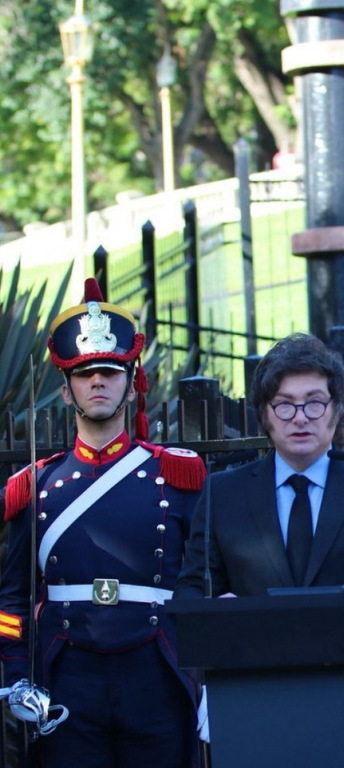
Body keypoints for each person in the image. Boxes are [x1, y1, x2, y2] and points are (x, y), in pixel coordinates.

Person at [0, 278, 206, 768]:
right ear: (66, 388)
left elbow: (204, 582)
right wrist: (15, 677)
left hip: (155, 670)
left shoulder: (176, 474)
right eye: (86, 371)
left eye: (111, 371)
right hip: (68, 674)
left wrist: (211, 678)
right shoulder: (37, 485)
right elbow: (13, 597)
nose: (98, 381)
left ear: (131, 382)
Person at [174, 332, 344, 599]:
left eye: (314, 403)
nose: (300, 418)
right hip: (254, 640)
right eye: (284, 404)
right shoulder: (223, 493)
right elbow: (192, 590)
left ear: (337, 409)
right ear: (264, 415)